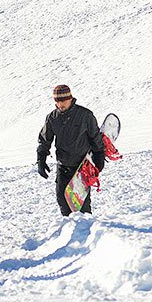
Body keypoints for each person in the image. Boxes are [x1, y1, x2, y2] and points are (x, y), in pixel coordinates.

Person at [36, 84, 105, 216]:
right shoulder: (52, 118)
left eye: (63, 100)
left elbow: (95, 138)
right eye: (57, 101)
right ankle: (70, 232)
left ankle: (87, 230)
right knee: (63, 202)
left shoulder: (85, 115)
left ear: (70, 98)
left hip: (81, 167)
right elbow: (45, 140)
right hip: (63, 167)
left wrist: (99, 157)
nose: (60, 104)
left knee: (82, 205)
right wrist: (41, 160)